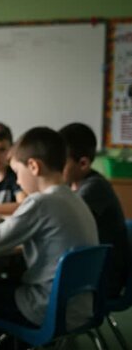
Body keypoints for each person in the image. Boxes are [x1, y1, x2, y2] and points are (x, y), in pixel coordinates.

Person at [0, 127, 99, 349]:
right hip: (79, 306)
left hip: (45, 308)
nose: (17, 179)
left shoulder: (39, 202)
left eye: (17, 171)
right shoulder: (73, 198)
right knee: (0, 286)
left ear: (34, 167)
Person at [59, 122, 129, 297]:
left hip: (103, 278)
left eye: (60, 162)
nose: (55, 167)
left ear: (83, 164)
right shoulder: (70, 185)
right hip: (89, 271)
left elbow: (60, 220)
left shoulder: (94, 188)